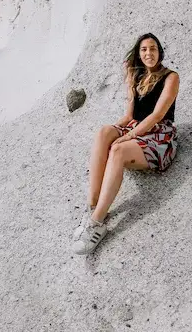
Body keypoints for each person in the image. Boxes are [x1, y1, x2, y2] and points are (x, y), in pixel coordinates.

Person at [72, 32, 180, 255]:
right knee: (103, 133)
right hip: (136, 126)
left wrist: (126, 137)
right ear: (139, 54)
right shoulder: (137, 77)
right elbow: (129, 115)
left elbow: (157, 116)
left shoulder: (171, 77)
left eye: (152, 48)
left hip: (158, 135)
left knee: (118, 149)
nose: (148, 53)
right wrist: (112, 132)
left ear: (159, 52)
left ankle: (97, 222)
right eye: (143, 50)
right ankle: (92, 206)